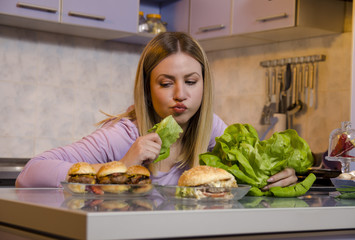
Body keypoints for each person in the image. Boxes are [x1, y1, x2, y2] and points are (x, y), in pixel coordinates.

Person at [16, 32, 297, 189]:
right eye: (165, 83)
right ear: (148, 90)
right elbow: (29, 173)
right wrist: (122, 167)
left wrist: (277, 175)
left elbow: (249, 179)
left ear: (204, 85)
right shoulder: (124, 134)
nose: (180, 95)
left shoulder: (213, 128)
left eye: (190, 82)